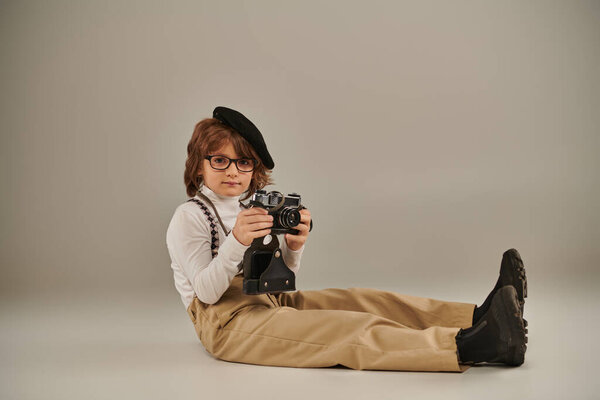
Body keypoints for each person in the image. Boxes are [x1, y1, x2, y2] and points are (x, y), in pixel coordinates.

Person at [165, 106, 528, 372]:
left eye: (243, 163)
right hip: (226, 324)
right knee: (341, 330)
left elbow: (281, 281)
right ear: (199, 164)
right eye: (220, 161)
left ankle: (476, 316)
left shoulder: (252, 205)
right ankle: (469, 345)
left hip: (267, 300)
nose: (233, 171)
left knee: (360, 300)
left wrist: (294, 248)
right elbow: (208, 294)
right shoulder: (190, 217)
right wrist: (237, 242)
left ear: (254, 169)